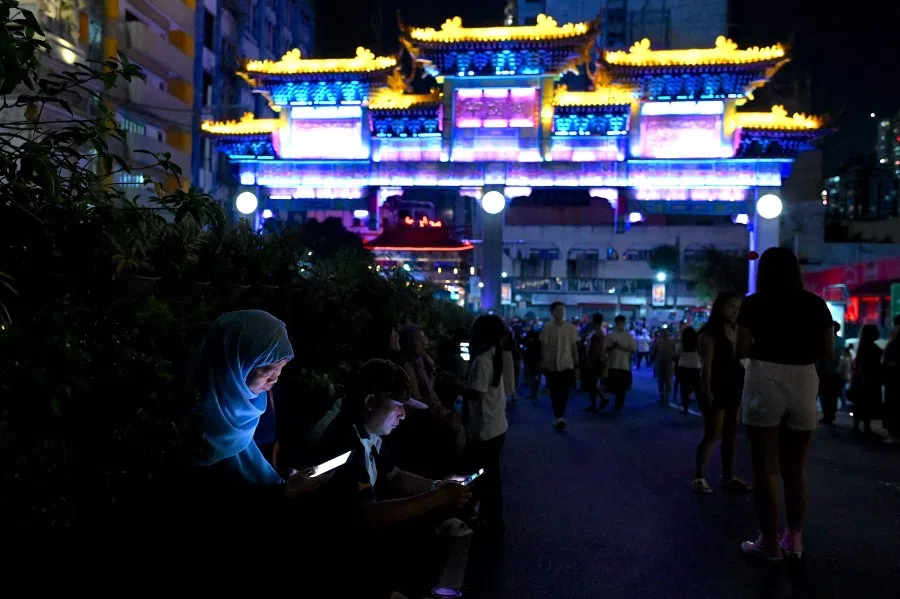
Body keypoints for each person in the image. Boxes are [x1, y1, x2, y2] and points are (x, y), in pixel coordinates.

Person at [736, 247, 834, 561]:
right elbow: (828, 351)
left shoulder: (753, 304)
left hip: (764, 375)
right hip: (804, 378)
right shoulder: (816, 304)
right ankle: (794, 539)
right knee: (796, 467)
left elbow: (740, 349)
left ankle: (768, 542)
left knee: (764, 468)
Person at [692, 292, 749, 494]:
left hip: (734, 386)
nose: (735, 312)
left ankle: (728, 477)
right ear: (720, 308)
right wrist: (707, 392)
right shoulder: (709, 333)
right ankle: (699, 477)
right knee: (712, 433)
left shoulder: (738, 330)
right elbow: (706, 367)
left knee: (731, 434)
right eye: (731, 307)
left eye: (738, 308)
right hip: (716, 386)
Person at [465, 315, 510, 531]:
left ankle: (490, 519)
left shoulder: (483, 360)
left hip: (486, 429)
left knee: (486, 477)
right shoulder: (494, 354)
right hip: (497, 426)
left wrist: (455, 384)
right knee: (490, 476)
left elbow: (477, 395)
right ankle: (492, 517)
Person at [540, 302, 581, 430]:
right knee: (553, 391)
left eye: (562, 310)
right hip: (551, 365)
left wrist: (576, 365)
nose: (560, 313)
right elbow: (543, 346)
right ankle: (557, 415)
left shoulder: (571, 328)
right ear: (553, 312)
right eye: (558, 310)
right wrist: (543, 361)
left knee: (564, 391)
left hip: (566, 364)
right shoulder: (547, 327)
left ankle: (560, 416)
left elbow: (574, 347)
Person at [850, 324, 883, 437]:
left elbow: (858, 366)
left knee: (860, 404)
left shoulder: (861, 347)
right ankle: (866, 427)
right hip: (870, 380)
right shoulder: (873, 349)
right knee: (868, 404)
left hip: (862, 380)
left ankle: (857, 426)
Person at [603, 315, 638, 410]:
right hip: (613, 364)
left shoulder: (628, 336)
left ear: (624, 324)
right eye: (618, 323)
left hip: (624, 365)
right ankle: (618, 401)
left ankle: (619, 403)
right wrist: (612, 347)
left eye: (621, 323)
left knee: (622, 386)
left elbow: (633, 349)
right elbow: (605, 348)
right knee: (614, 385)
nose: (620, 325)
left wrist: (620, 347)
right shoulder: (611, 335)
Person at [817, 322, 843, 425]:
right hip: (836, 372)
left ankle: (827, 414)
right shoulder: (842, 340)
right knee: (833, 395)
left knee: (824, 394)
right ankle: (832, 414)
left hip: (825, 371)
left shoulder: (823, 341)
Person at [583, 313, 608, 412]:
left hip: (595, 361)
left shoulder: (597, 333)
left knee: (592, 382)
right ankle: (597, 402)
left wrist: (591, 361)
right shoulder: (599, 332)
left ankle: (601, 400)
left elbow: (596, 350)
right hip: (597, 360)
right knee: (592, 383)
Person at [676, 327, 702, 414]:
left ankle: (685, 408)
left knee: (684, 388)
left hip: (683, 366)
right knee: (698, 388)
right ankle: (702, 407)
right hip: (696, 366)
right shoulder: (698, 342)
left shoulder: (682, 342)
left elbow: (678, 352)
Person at [883, 315, 900, 444]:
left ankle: (893, 433)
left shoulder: (894, 342)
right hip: (894, 378)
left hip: (893, 379)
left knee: (892, 404)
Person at [652, 328, 677, 406]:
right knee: (661, 381)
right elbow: (654, 352)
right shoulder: (657, 342)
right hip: (660, 363)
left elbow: (675, 353)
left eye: (666, 333)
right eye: (663, 333)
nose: (665, 334)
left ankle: (666, 398)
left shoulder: (672, 342)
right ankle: (662, 398)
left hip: (669, 363)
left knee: (668, 381)